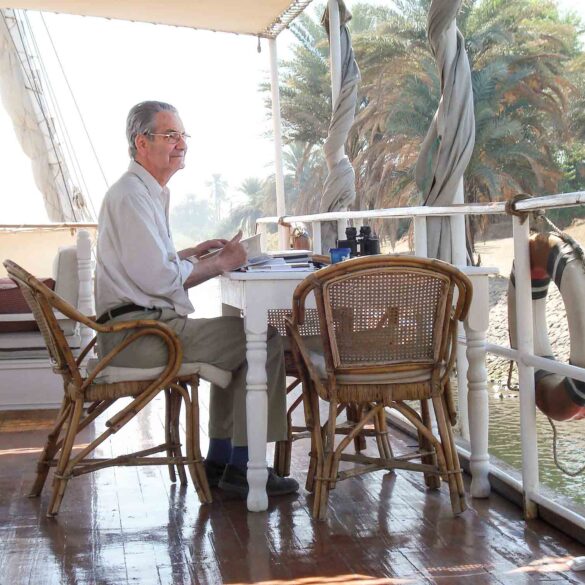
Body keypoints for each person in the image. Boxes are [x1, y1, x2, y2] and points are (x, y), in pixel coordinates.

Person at [95, 100, 298, 497]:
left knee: (240, 340)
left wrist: (191, 254)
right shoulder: (131, 196)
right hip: (140, 336)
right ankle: (245, 467)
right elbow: (157, 278)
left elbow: (149, 265)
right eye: (170, 135)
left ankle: (222, 459)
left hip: (140, 329)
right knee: (263, 341)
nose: (181, 144)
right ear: (141, 142)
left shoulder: (145, 192)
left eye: (182, 135)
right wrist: (221, 262)